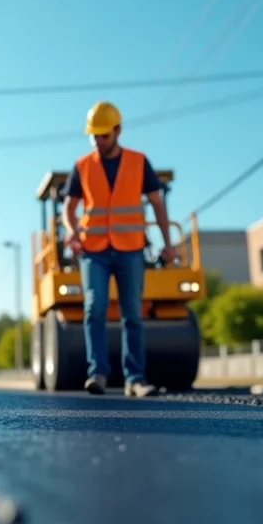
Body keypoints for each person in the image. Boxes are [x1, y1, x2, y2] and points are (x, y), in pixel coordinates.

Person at [62, 101, 177, 397]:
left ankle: (135, 378)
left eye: (104, 135)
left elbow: (156, 203)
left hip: (130, 248)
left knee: (132, 314)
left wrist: (168, 243)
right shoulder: (83, 166)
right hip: (94, 250)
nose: (98, 141)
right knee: (94, 307)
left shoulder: (139, 162)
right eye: (94, 136)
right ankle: (97, 374)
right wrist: (73, 232)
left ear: (117, 131)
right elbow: (69, 208)